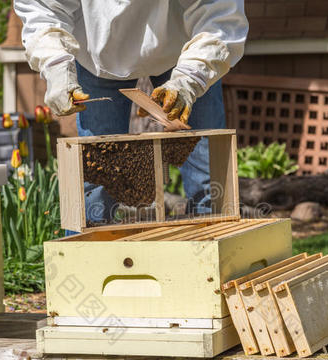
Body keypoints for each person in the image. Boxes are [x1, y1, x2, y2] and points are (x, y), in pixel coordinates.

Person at [14, 0, 248, 230]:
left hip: (187, 50)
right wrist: (55, 64)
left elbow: (218, 14)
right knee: (93, 184)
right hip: (95, 54)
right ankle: (85, 262)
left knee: (211, 181)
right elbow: (42, 7)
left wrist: (189, 80)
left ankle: (212, 255)